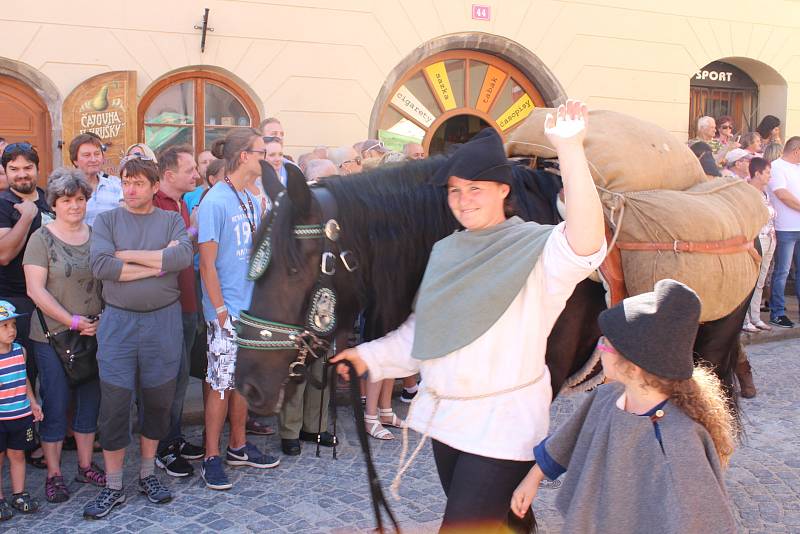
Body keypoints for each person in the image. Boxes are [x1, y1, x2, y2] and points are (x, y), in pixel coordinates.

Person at [332, 101, 606, 531]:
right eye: (454, 190)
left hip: (504, 428)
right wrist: (367, 357)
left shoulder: (537, 249)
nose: (463, 200)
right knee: (509, 522)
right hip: (450, 424)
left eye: (475, 188)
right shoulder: (446, 251)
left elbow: (586, 244)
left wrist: (570, 149)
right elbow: (422, 336)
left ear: (503, 190)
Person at [511, 279, 737, 534]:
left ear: (633, 365)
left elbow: (702, 517)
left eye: (605, 344)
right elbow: (568, 440)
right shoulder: (606, 397)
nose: (599, 347)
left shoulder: (678, 438)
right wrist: (532, 479)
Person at [84, 155, 193, 519]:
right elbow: (101, 266)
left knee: (158, 401)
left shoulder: (171, 219)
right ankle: (114, 485)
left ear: (154, 186)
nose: (130, 189)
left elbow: (181, 259)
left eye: (138, 183)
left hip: (163, 324)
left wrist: (128, 257)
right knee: (114, 405)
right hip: (118, 325)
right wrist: (157, 262)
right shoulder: (107, 220)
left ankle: (147, 474)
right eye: (125, 182)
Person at [199, 129, 280, 491]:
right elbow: (206, 263)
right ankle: (211, 456)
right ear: (244, 156)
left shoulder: (254, 195)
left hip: (253, 309)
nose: (269, 158)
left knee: (242, 383)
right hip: (227, 309)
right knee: (220, 384)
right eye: (263, 152)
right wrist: (219, 311)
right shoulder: (216, 201)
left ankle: (238, 445)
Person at [22, 168, 105, 504]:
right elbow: (35, 290)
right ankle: (54, 473)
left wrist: (100, 320)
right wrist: (72, 321)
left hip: (94, 333)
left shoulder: (98, 235)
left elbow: (109, 280)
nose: (74, 205)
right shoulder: (41, 239)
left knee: (90, 402)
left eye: (80, 199)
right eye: (67, 200)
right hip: (53, 336)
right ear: (54, 203)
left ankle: (85, 465)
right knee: (55, 405)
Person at [152, 146, 205, 478]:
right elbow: (163, 258)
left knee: (181, 378)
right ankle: (162, 447)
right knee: (165, 380)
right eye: (190, 170)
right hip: (166, 309)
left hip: (187, 304)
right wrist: (195, 230)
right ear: (169, 175)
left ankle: (174, 438)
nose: (196, 175)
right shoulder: (154, 206)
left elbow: (186, 253)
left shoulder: (181, 204)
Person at [0, 300, 43, 520]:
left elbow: (23, 379)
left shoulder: (20, 351)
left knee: (18, 455)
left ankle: (19, 494)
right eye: (4, 326)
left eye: (13, 324)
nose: (12, 330)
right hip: (1, 418)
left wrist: (33, 402)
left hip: (21, 414)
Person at [768, 136, 800, 328]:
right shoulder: (776, 166)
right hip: (785, 227)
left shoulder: (797, 167)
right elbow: (782, 194)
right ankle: (777, 312)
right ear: (796, 151)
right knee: (782, 272)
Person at [743, 157, 776, 334]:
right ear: (757, 173)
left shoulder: (765, 192)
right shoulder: (748, 192)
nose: (770, 176)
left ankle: (755, 317)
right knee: (751, 279)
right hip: (756, 238)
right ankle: (745, 319)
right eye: (767, 172)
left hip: (769, 238)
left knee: (761, 280)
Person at [69, 134, 123, 226]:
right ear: (75, 161)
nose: (93, 159)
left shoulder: (117, 185)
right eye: (87, 155)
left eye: (97, 154)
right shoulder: (67, 190)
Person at [184, 150, 216, 215]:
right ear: (198, 169)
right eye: (204, 162)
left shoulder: (228, 191)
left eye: (212, 161)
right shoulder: (189, 195)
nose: (208, 165)